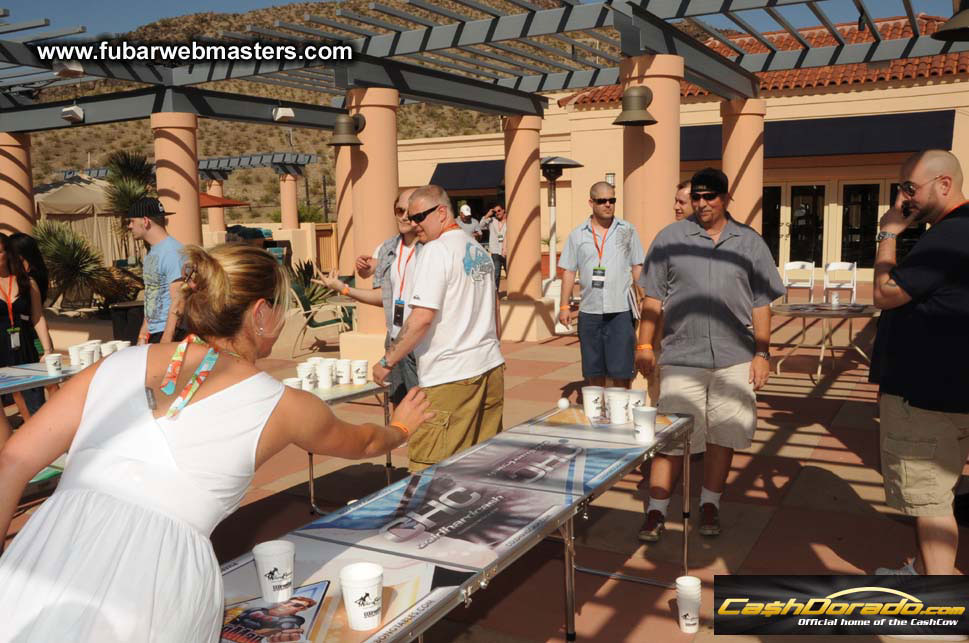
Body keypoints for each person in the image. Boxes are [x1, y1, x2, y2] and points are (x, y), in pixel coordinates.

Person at [0, 244, 431, 641]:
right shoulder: (283, 404)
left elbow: (14, 460)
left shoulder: (115, 363)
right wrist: (403, 429)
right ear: (260, 313)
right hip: (156, 584)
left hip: (43, 555)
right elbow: (362, 441)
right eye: (280, 308)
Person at [635, 168, 784, 543]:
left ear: (725, 198)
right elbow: (652, 298)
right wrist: (643, 344)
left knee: (723, 435)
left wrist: (762, 353)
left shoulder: (750, 243)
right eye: (696, 197)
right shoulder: (670, 238)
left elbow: (761, 304)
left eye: (709, 197)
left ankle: (710, 503)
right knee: (671, 437)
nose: (701, 204)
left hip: (735, 357)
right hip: (683, 355)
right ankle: (656, 511)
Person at [870, 150, 969, 576]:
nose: (901, 197)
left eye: (909, 187)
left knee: (929, 502)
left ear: (944, 184)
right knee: (937, 493)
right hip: (948, 386)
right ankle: (925, 573)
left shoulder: (951, 234)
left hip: (925, 396)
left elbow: (886, 292)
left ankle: (937, 607)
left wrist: (887, 235)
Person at [373, 185, 504, 472]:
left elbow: (421, 318)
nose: (413, 223)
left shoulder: (436, 250)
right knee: (481, 463)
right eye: (410, 216)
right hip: (489, 368)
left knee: (430, 470)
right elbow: (495, 312)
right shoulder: (477, 249)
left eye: (419, 216)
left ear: (441, 212)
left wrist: (387, 361)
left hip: (450, 376)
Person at [319, 188, 421, 405]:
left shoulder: (432, 250)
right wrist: (343, 288)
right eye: (399, 210)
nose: (404, 216)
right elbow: (382, 297)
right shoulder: (387, 249)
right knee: (396, 400)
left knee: (423, 406)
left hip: (422, 339)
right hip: (394, 336)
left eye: (410, 211)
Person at [558, 181, 645, 389]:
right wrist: (564, 306)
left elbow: (637, 267)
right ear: (591, 202)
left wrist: (643, 299)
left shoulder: (628, 230)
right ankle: (598, 411)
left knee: (622, 369)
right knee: (593, 368)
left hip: (621, 311)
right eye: (602, 200)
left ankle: (620, 411)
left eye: (612, 200)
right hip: (589, 311)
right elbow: (569, 271)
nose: (608, 204)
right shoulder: (577, 235)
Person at [0, 234, 54, 423]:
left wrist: (47, 349)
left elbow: (38, 317)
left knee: (35, 395)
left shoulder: (26, 282)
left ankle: (40, 428)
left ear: (7, 253)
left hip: (25, 343)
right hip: (1, 347)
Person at [127, 197, 186, 345]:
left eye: (132, 221)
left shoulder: (173, 252)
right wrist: (142, 335)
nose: (129, 226)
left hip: (170, 334)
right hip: (154, 334)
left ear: (145, 221)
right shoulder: (152, 253)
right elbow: (152, 295)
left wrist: (166, 340)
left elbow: (178, 301)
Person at [480, 203, 507, 290]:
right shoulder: (491, 221)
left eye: (499, 211)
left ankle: (513, 293)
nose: (497, 213)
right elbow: (481, 226)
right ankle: (495, 294)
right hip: (495, 251)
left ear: (503, 210)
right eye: (495, 212)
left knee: (511, 273)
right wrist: (488, 214)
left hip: (506, 251)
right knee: (496, 274)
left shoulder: (509, 221)